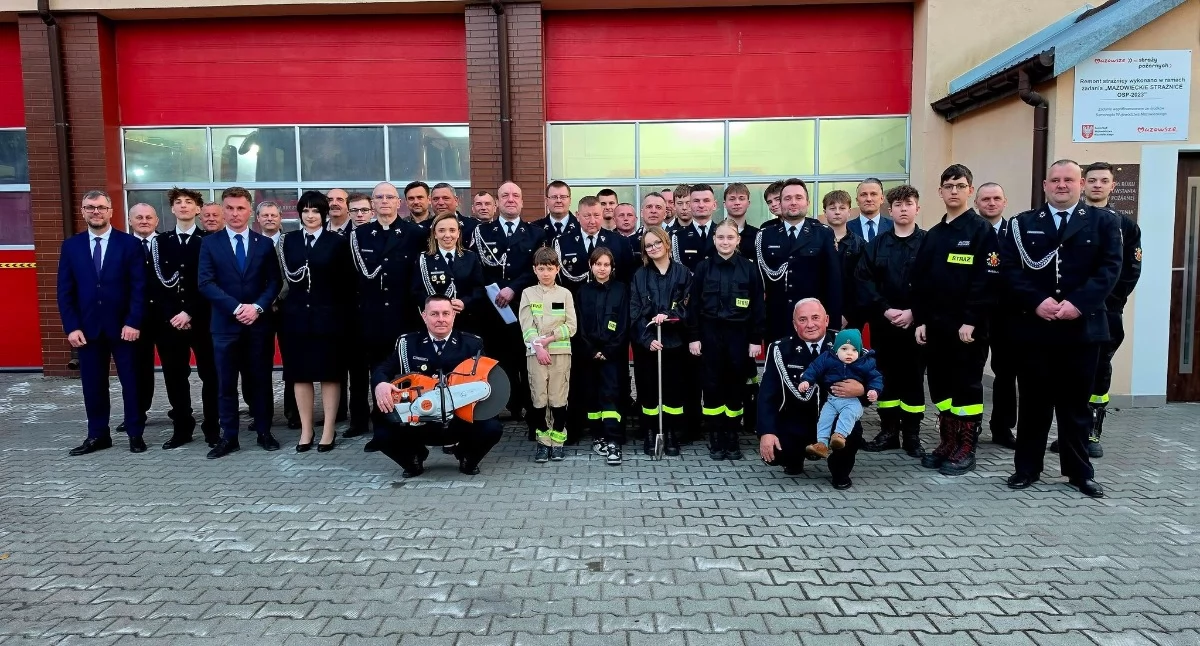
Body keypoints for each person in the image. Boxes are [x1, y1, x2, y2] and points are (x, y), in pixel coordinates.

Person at [1001, 160, 1122, 498]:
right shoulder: (1022, 224)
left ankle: (1079, 472)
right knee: (1033, 405)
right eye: (1055, 180)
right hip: (1035, 329)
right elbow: (1009, 269)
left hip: (1082, 329)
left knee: (1076, 407)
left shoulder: (1103, 222)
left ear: (1080, 184)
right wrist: (1036, 301)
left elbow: (1110, 268)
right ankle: (1027, 469)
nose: (1062, 185)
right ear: (1045, 185)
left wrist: (1078, 303)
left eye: (1069, 179)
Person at [1048, 161, 1142, 458]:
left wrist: (1101, 302)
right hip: (1065, 312)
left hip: (1104, 313)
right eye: (1092, 180)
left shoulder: (1123, 225)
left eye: (1103, 181)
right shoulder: (1065, 219)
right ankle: (1067, 434)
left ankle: (1091, 433)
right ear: (1083, 184)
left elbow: (1127, 271)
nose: (1097, 185)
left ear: (1113, 186)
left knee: (1098, 373)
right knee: (1065, 375)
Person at [910, 164, 1000, 476]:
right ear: (940, 191)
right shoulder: (934, 235)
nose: (954, 191)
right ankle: (948, 441)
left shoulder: (981, 231)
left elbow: (987, 280)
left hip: (967, 329)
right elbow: (920, 281)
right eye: (948, 186)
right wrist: (921, 321)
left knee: (966, 387)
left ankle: (966, 448)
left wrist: (971, 320)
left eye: (960, 186)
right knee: (941, 387)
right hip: (936, 327)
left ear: (970, 191)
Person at [372, 295, 504, 477]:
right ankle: (413, 459)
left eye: (445, 313)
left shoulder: (472, 343)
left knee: (492, 428)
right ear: (424, 316)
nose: (441, 319)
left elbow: (487, 380)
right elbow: (383, 368)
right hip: (419, 418)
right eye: (434, 314)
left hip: (459, 417)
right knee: (382, 432)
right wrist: (380, 384)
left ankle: (466, 457)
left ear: (453, 315)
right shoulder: (407, 344)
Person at [58, 190, 147, 456]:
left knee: (132, 383)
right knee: (93, 386)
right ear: (83, 212)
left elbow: (139, 288)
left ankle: (135, 433)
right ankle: (98, 435)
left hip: (124, 329)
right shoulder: (71, 246)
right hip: (87, 330)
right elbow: (65, 290)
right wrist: (72, 327)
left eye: (100, 207)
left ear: (110, 211)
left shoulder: (129, 244)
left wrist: (133, 322)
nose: (95, 212)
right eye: (90, 207)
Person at [197, 186, 283, 459]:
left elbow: (274, 282)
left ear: (250, 211)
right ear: (223, 210)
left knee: (260, 381)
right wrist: (236, 308)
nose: (235, 213)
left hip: (258, 325)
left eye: (240, 208)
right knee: (225, 384)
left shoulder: (264, 244)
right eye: (230, 208)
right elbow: (205, 282)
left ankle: (264, 432)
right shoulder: (210, 243)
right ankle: (229, 437)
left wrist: (256, 307)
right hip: (225, 326)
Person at [758, 299, 865, 489]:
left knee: (851, 432)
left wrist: (861, 390)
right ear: (794, 324)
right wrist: (767, 432)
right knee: (774, 453)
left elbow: (876, 380)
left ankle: (840, 470)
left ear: (826, 320)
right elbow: (767, 395)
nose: (810, 324)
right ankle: (794, 459)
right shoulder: (780, 349)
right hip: (796, 423)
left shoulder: (846, 344)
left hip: (835, 424)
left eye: (815, 318)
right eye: (803, 319)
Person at [277, 191, 355, 453]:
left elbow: (346, 283)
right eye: (305, 211)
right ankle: (306, 429)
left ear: (324, 214)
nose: (310, 216)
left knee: (330, 374)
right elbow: (281, 279)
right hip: (296, 318)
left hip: (329, 317)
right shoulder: (288, 241)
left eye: (315, 211)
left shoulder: (337, 242)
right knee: (300, 375)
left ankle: (329, 429)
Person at [352, 182, 426, 450]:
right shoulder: (360, 235)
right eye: (379, 197)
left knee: (407, 374)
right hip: (371, 317)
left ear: (399, 203)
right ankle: (381, 431)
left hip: (403, 315)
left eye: (390, 197)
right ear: (372, 203)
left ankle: (410, 428)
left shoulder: (415, 234)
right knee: (378, 374)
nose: (384, 201)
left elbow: (420, 276)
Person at [555, 196, 635, 443]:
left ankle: (614, 430)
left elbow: (627, 281)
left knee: (614, 384)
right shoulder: (563, 242)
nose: (592, 220)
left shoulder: (618, 242)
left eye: (597, 215)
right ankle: (582, 427)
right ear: (577, 216)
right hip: (581, 326)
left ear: (604, 215)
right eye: (587, 215)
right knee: (582, 383)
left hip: (612, 325)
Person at [858, 185, 928, 458]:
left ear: (917, 208)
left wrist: (914, 312)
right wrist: (885, 310)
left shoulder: (928, 243)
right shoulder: (876, 245)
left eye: (908, 204)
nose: (903, 209)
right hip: (884, 325)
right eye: (898, 205)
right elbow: (864, 281)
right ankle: (888, 431)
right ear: (890, 210)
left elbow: (935, 283)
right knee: (885, 377)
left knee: (913, 378)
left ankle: (912, 434)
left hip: (916, 326)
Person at [687, 219, 765, 460]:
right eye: (720, 237)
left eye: (730, 237)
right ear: (714, 239)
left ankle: (732, 435)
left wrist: (755, 339)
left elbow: (758, 306)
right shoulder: (703, 268)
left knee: (736, 386)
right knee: (711, 386)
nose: (725, 242)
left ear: (738, 240)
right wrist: (694, 337)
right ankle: (716, 436)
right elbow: (694, 305)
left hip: (738, 336)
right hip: (710, 334)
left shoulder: (749, 268)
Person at [153, 187, 220, 449]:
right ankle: (182, 427)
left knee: (210, 376)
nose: (183, 206)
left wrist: (189, 311)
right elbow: (156, 283)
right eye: (178, 202)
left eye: (189, 202)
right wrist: (173, 314)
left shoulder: (209, 241)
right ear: (172, 209)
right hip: (170, 323)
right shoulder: (160, 242)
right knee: (175, 376)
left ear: (198, 209)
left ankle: (212, 427)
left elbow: (211, 281)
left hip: (203, 319)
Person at [473, 181, 544, 422]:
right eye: (505, 195)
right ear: (497, 202)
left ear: (522, 202)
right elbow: (477, 268)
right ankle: (506, 405)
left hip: (524, 306)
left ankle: (531, 409)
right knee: (499, 360)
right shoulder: (482, 233)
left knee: (526, 359)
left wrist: (513, 288)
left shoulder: (535, 233)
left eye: (515, 195)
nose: (510, 199)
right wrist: (495, 291)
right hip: (492, 309)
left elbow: (538, 268)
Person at [629, 226, 692, 456]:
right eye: (648, 245)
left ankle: (672, 432)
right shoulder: (640, 275)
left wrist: (670, 315)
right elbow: (634, 310)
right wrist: (646, 339)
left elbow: (688, 304)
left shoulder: (683, 273)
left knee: (674, 390)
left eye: (657, 243)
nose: (653, 247)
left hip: (675, 342)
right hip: (648, 345)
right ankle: (650, 431)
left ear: (666, 244)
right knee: (648, 390)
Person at [756, 178, 842, 342]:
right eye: (787, 198)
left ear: (807, 202)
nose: (793, 202)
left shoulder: (823, 234)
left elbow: (833, 283)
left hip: (813, 323)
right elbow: (759, 285)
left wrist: (833, 327)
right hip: (777, 321)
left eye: (798, 197)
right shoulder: (765, 235)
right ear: (781, 203)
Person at [519, 247, 578, 462]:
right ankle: (543, 442)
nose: (546, 273)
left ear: (557, 269)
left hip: (560, 353)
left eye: (550, 269)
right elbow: (526, 325)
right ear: (535, 269)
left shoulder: (565, 294)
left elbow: (571, 326)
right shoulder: (528, 293)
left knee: (558, 397)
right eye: (541, 268)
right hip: (536, 354)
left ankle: (558, 441)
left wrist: (549, 339)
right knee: (539, 398)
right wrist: (539, 347)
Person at [974, 182, 1017, 449]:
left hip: (1007, 315)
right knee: (971, 372)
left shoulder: (1016, 233)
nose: (991, 203)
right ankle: (971, 425)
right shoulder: (970, 231)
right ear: (976, 203)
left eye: (996, 198)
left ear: (1004, 202)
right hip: (975, 315)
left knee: (1006, 373)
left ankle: (1002, 427)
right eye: (986, 199)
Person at [577, 247, 629, 465]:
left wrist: (608, 351)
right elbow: (579, 325)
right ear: (591, 266)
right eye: (598, 264)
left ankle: (613, 439)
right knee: (592, 394)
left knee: (611, 395)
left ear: (612, 267)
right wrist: (591, 351)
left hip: (612, 355)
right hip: (589, 354)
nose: (602, 268)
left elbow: (624, 324)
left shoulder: (621, 290)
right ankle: (598, 435)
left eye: (606, 264)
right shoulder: (582, 292)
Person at [797, 328, 882, 459]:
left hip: (852, 401)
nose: (849, 353)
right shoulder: (828, 358)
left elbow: (875, 377)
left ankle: (839, 436)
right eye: (844, 349)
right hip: (832, 400)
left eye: (854, 350)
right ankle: (822, 444)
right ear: (836, 349)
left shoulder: (865, 362)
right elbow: (814, 368)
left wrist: (873, 390)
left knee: (848, 415)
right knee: (824, 419)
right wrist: (806, 381)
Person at [256, 200, 297, 429]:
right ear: (258, 218)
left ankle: (293, 412)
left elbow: (292, 275)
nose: (270, 219)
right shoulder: (252, 242)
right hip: (259, 311)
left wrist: (276, 298)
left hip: (286, 308)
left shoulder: (290, 243)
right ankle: (262, 414)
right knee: (260, 362)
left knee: (291, 362)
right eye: (265, 215)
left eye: (273, 215)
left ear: (280, 218)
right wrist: (262, 302)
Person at [413, 212, 486, 336]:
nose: (447, 235)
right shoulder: (423, 259)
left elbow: (479, 289)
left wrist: (464, 302)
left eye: (452, 230)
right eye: (441, 230)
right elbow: (416, 291)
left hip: (465, 321)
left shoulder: (470, 257)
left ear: (458, 233)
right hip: (435, 323)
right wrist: (436, 307)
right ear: (435, 234)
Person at [127, 203, 161, 433]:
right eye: (139, 217)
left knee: (176, 371)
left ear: (156, 221)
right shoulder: (124, 246)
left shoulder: (165, 243)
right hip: (136, 319)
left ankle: (180, 414)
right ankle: (138, 413)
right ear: (130, 221)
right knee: (138, 369)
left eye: (149, 217)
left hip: (166, 318)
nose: (144, 221)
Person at [821, 190, 866, 330]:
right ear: (825, 212)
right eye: (832, 208)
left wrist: (848, 314)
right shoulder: (815, 242)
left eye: (842, 208)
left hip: (851, 315)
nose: (837, 212)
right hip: (819, 313)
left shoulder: (860, 245)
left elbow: (861, 284)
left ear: (849, 212)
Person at [671, 183, 717, 272]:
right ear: (690, 205)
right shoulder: (676, 237)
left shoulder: (724, 234)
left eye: (706, 200)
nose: (701, 205)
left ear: (714, 205)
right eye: (696, 201)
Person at [847, 178, 893, 242]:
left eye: (873, 194)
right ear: (857, 201)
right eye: (864, 195)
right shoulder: (846, 229)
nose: (869, 199)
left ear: (882, 199)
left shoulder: (894, 227)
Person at [723, 183, 759, 260]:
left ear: (748, 203)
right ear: (724, 204)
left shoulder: (758, 235)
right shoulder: (715, 232)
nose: (737, 203)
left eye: (741, 198)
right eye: (732, 199)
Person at [538, 180, 579, 246]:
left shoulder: (581, 226)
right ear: (546, 201)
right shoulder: (536, 229)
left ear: (570, 200)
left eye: (563, 197)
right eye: (554, 197)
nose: (558, 201)